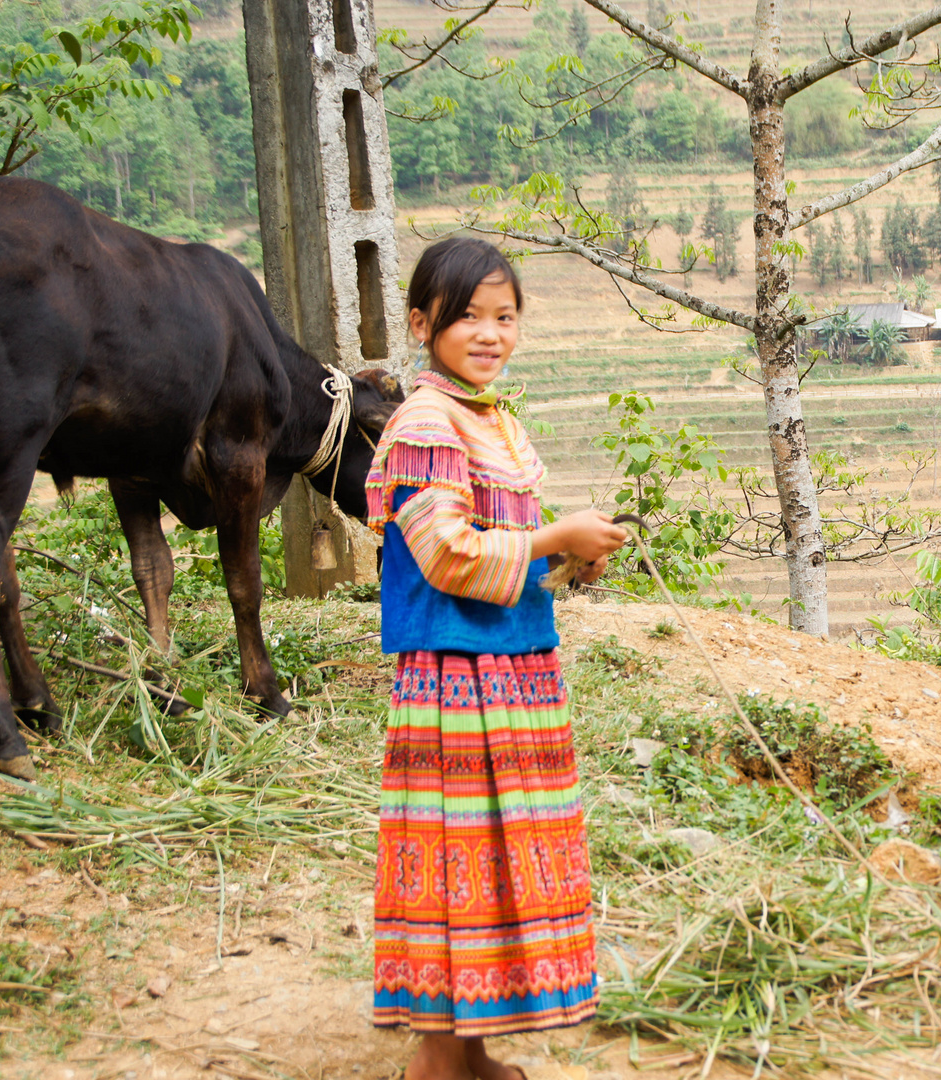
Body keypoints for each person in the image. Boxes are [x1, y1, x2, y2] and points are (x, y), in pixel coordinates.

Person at [366, 237, 626, 1080]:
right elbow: (447, 554)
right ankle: (436, 1065)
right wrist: (553, 534)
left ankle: (467, 1049)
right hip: (455, 678)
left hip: (510, 669)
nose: (490, 333)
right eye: (467, 316)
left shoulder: (491, 420)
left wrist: (573, 557)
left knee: (487, 856)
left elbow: (507, 556)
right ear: (421, 323)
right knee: (457, 857)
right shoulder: (425, 422)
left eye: (504, 317)